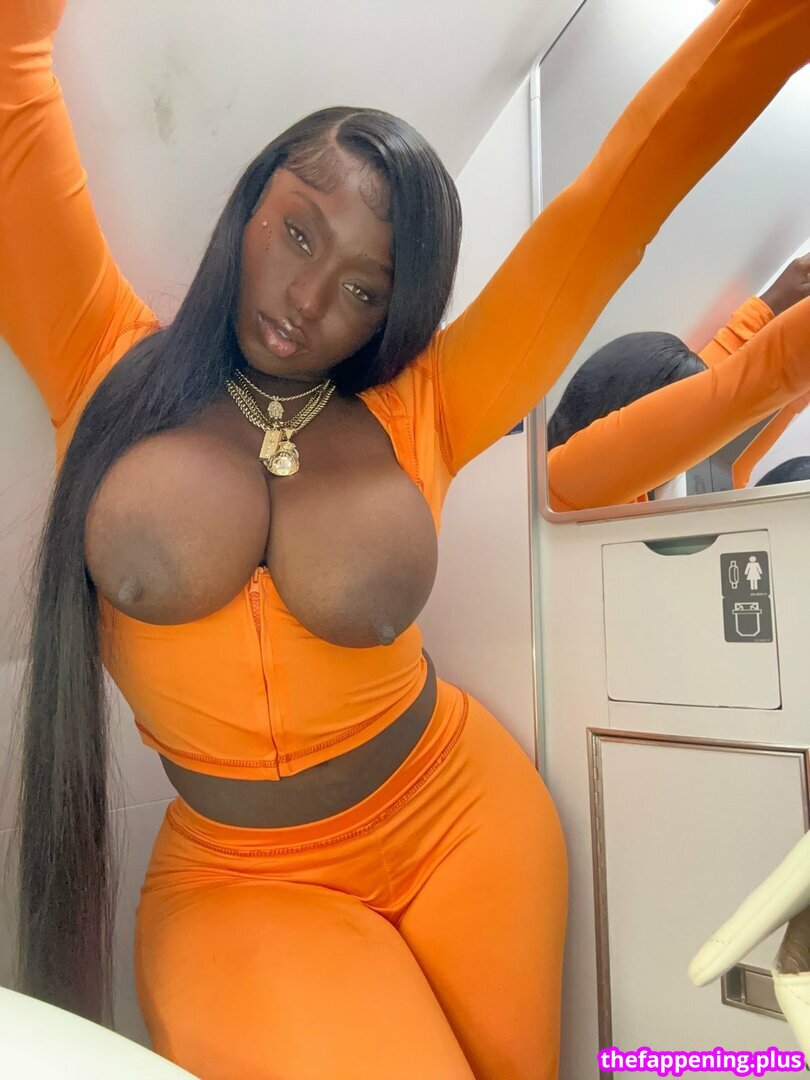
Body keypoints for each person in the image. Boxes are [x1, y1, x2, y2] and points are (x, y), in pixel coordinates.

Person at [3, 2, 810, 1077]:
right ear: (249, 203)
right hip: (241, 880)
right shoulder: (99, 356)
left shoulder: (426, 407)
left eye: (362, 289)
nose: (306, 299)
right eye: (298, 232)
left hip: (465, 823)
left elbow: (623, 196)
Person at [546, 255, 810, 511]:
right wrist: (772, 305)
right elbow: (736, 389)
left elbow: (721, 395)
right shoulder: (564, 487)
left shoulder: (684, 483)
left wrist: (771, 306)